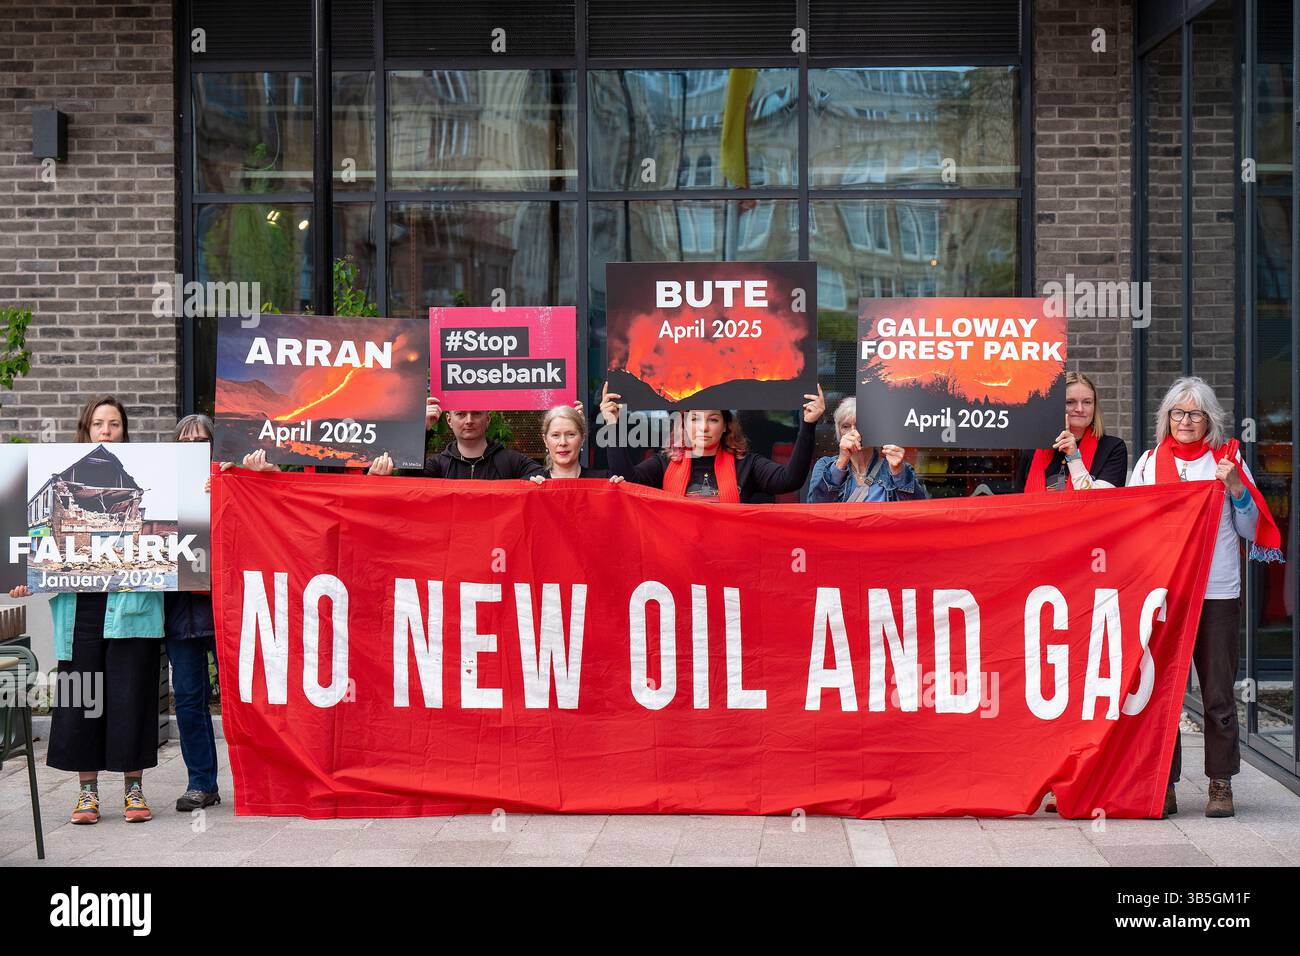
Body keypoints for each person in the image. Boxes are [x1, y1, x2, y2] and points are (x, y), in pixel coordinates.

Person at [1128, 376, 1284, 818]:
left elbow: (1253, 532)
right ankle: (1166, 783)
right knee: (1165, 694)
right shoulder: (1147, 464)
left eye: (1195, 413)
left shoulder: (1229, 463)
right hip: (1166, 594)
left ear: (1208, 420)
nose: (1186, 421)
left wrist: (1236, 488)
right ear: (1167, 419)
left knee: (1217, 694)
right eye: (1178, 413)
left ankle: (1220, 784)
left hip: (1216, 593)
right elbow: (1132, 527)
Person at [7, 397, 164, 824]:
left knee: (131, 699)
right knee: (81, 701)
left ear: (124, 431)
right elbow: (35, 553)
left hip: (133, 612)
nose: (106, 431)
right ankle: (87, 795)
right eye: (99, 423)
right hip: (79, 616)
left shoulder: (136, 479)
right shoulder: (61, 480)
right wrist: (23, 576)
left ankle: (134, 790)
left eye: (114, 424)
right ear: (86, 429)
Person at [600, 382, 823, 503]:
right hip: (680, 566)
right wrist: (613, 425)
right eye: (695, 418)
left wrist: (808, 425)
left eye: (713, 419)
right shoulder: (665, 463)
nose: (704, 427)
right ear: (684, 423)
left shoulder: (746, 465)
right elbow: (626, 480)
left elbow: (790, 480)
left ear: (726, 425)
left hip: (729, 564)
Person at [367, 397, 544, 480]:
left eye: (476, 413)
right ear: (449, 420)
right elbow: (409, 480)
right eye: (461, 414)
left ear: (488, 419)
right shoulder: (437, 466)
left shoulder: (510, 461)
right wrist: (422, 429)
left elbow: (548, 476)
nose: (469, 420)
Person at [1016, 371, 1128, 492]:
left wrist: (1073, 456)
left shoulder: (1113, 448)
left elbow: (1101, 502)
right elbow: (1018, 503)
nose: (1080, 409)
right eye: (1070, 402)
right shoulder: (1033, 448)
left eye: (1087, 402)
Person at [806, 397, 926, 502]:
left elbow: (915, 511)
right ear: (839, 433)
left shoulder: (895, 466)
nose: (854, 432)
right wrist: (841, 463)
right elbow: (815, 508)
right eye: (846, 426)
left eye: (861, 425)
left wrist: (899, 473)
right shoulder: (824, 466)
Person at [536, 403, 623, 481]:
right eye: (555, 435)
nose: (563, 442)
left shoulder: (604, 480)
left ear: (582, 438)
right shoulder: (533, 483)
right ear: (545, 440)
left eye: (571, 434)